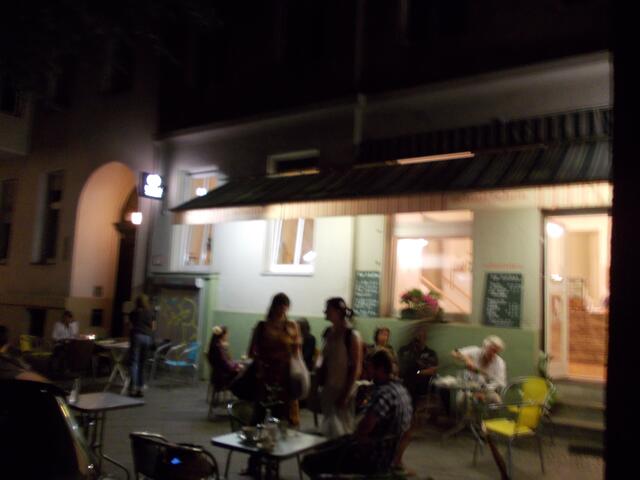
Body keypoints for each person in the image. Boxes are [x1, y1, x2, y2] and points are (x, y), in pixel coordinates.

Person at [302, 349, 413, 477]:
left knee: (308, 461)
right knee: (326, 445)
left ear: (381, 369)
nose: (368, 372)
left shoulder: (384, 394)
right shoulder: (403, 391)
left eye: (370, 368)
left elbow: (363, 429)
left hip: (370, 458)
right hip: (388, 456)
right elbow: (406, 431)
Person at [248, 292, 302, 426]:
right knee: (261, 410)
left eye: (285, 307)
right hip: (266, 374)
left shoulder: (291, 326)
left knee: (283, 411)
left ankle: (281, 433)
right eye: (279, 306)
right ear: (273, 307)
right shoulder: (262, 326)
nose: (282, 310)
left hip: (285, 375)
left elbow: (297, 353)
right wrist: (260, 366)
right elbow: (252, 351)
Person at [317, 297, 363, 438]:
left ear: (337, 312)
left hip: (343, 389)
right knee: (329, 427)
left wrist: (345, 395)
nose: (325, 311)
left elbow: (356, 368)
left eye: (328, 309)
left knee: (343, 428)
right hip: (329, 387)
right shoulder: (329, 332)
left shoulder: (352, 336)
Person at [451, 335, 507, 403]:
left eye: (496, 351)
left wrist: (483, 392)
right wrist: (467, 359)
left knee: (497, 401)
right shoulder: (475, 350)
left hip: (487, 390)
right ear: (484, 347)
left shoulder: (500, 363)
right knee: (461, 400)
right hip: (468, 387)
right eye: (491, 349)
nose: (492, 353)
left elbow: (500, 382)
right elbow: (454, 352)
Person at [128, 293, 156, 397]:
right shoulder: (150, 313)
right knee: (142, 364)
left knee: (134, 362)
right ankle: (140, 388)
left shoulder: (133, 313)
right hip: (147, 338)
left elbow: (130, 326)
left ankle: (133, 388)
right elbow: (153, 328)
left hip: (136, 337)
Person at [207, 325, 242, 390]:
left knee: (240, 367)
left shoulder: (215, 345)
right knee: (243, 373)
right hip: (221, 377)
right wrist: (236, 366)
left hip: (216, 375)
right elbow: (225, 363)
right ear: (222, 335)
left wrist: (236, 365)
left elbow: (226, 361)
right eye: (227, 334)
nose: (227, 336)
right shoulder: (218, 347)